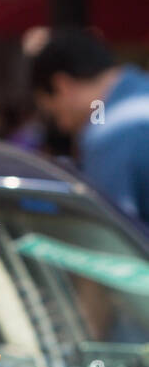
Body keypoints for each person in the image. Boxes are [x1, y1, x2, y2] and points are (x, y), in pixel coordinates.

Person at [30, 27, 149, 224]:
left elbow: (109, 239)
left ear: (62, 85)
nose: (62, 127)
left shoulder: (110, 136)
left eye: (54, 114)